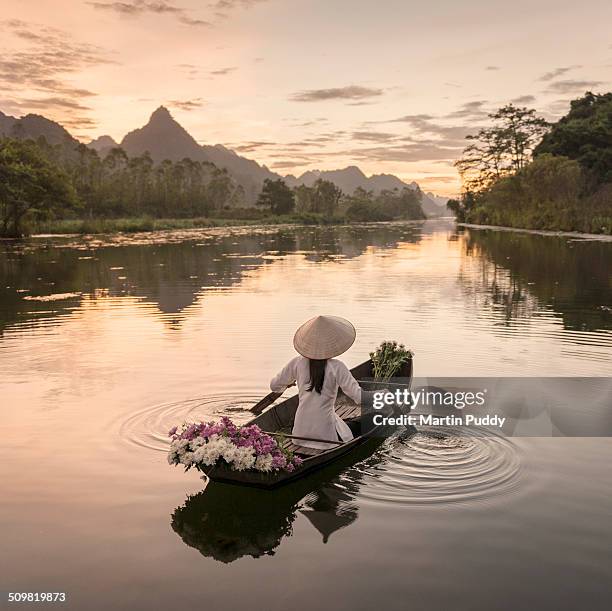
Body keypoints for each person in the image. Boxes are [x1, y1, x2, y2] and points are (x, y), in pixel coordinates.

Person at [270, 315, 362, 450]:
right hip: (326, 439)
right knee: (364, 422)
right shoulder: (337, 366)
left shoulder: (297, 363)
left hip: (299, 436)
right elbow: (358, 397)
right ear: (331, 344)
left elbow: (274, 386)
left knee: (346, 422)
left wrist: (286, 384)